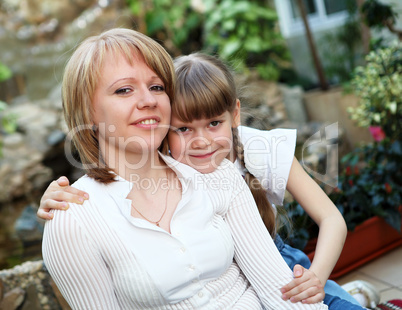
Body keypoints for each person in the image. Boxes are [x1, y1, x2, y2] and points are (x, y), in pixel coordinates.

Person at [41, 28, 329, 309]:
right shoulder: (73, 219)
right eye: (124, 90)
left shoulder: (217, 174)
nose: (149, 100)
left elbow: (281, 292)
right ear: (87, 111)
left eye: (157, 87)